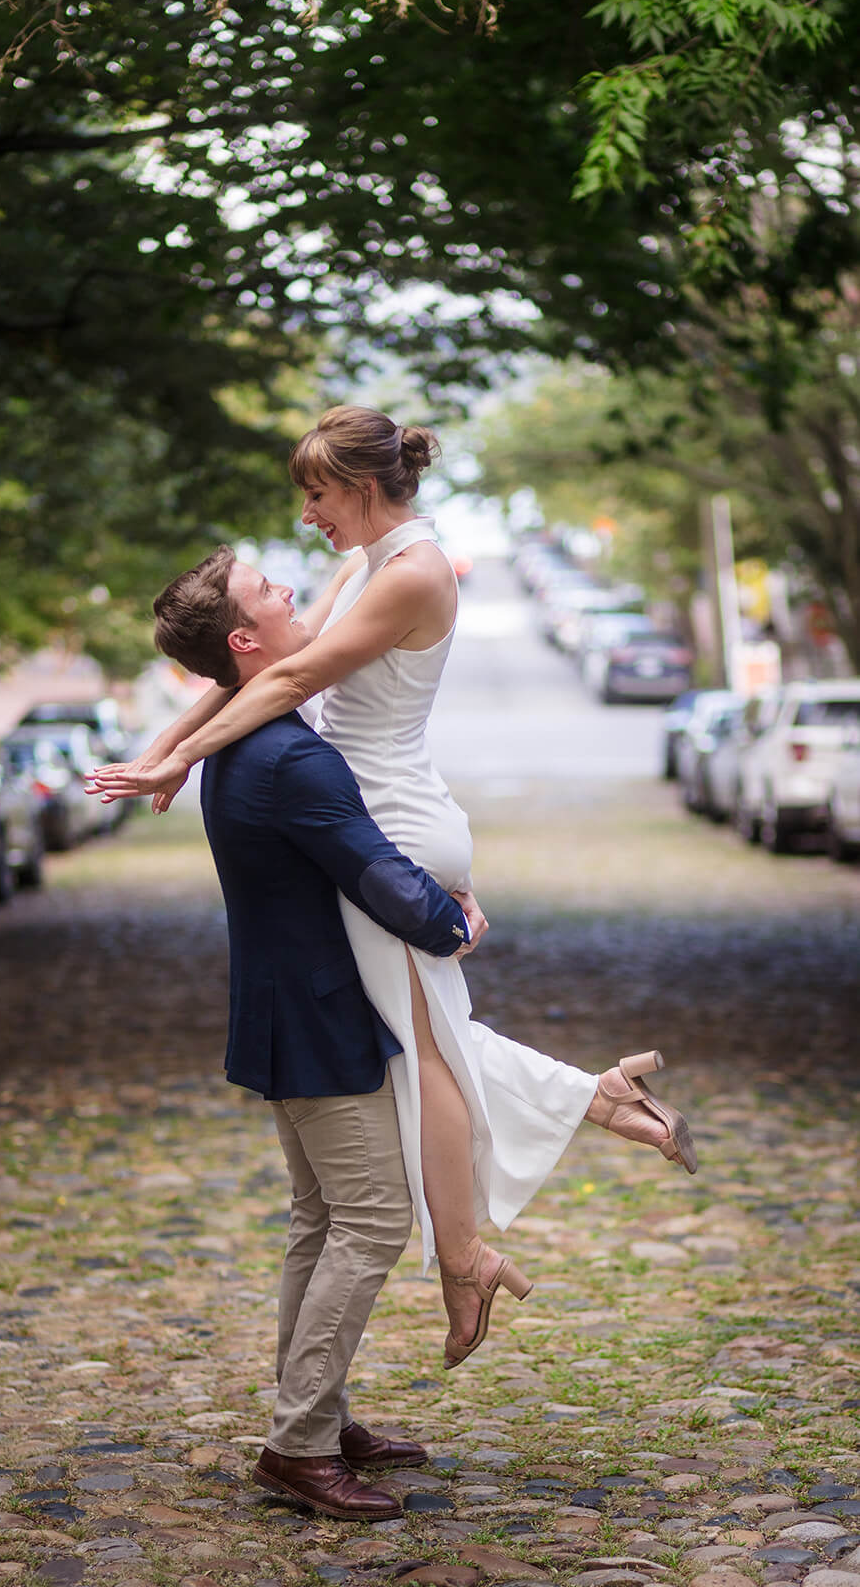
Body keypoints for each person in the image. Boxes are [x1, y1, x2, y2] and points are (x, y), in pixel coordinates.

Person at [90, 406, 697, 1370]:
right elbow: (252, 666)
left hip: (386, 824)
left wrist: (180, 763)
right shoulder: (367, 565)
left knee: (427, 1057)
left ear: (361, 488)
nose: (306, 516)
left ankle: (463, 1259)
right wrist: (162, 755)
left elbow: (284, 685)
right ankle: (596, 1100)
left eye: (316, 494)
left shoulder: (410, 571)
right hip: (385, 819)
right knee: (435, 1038)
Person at [150, 543, 480, 1518]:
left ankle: (318, 1414)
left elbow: (324, 612)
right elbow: (371, 868)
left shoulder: (250, 737)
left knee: (322, 1220)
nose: (291, 588)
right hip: (321, 1015)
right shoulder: (289, 755)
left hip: (285, 1009)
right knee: (373, 1217)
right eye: (267, 589)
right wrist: (451, 918)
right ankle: (295, 1443)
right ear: (246, 639)